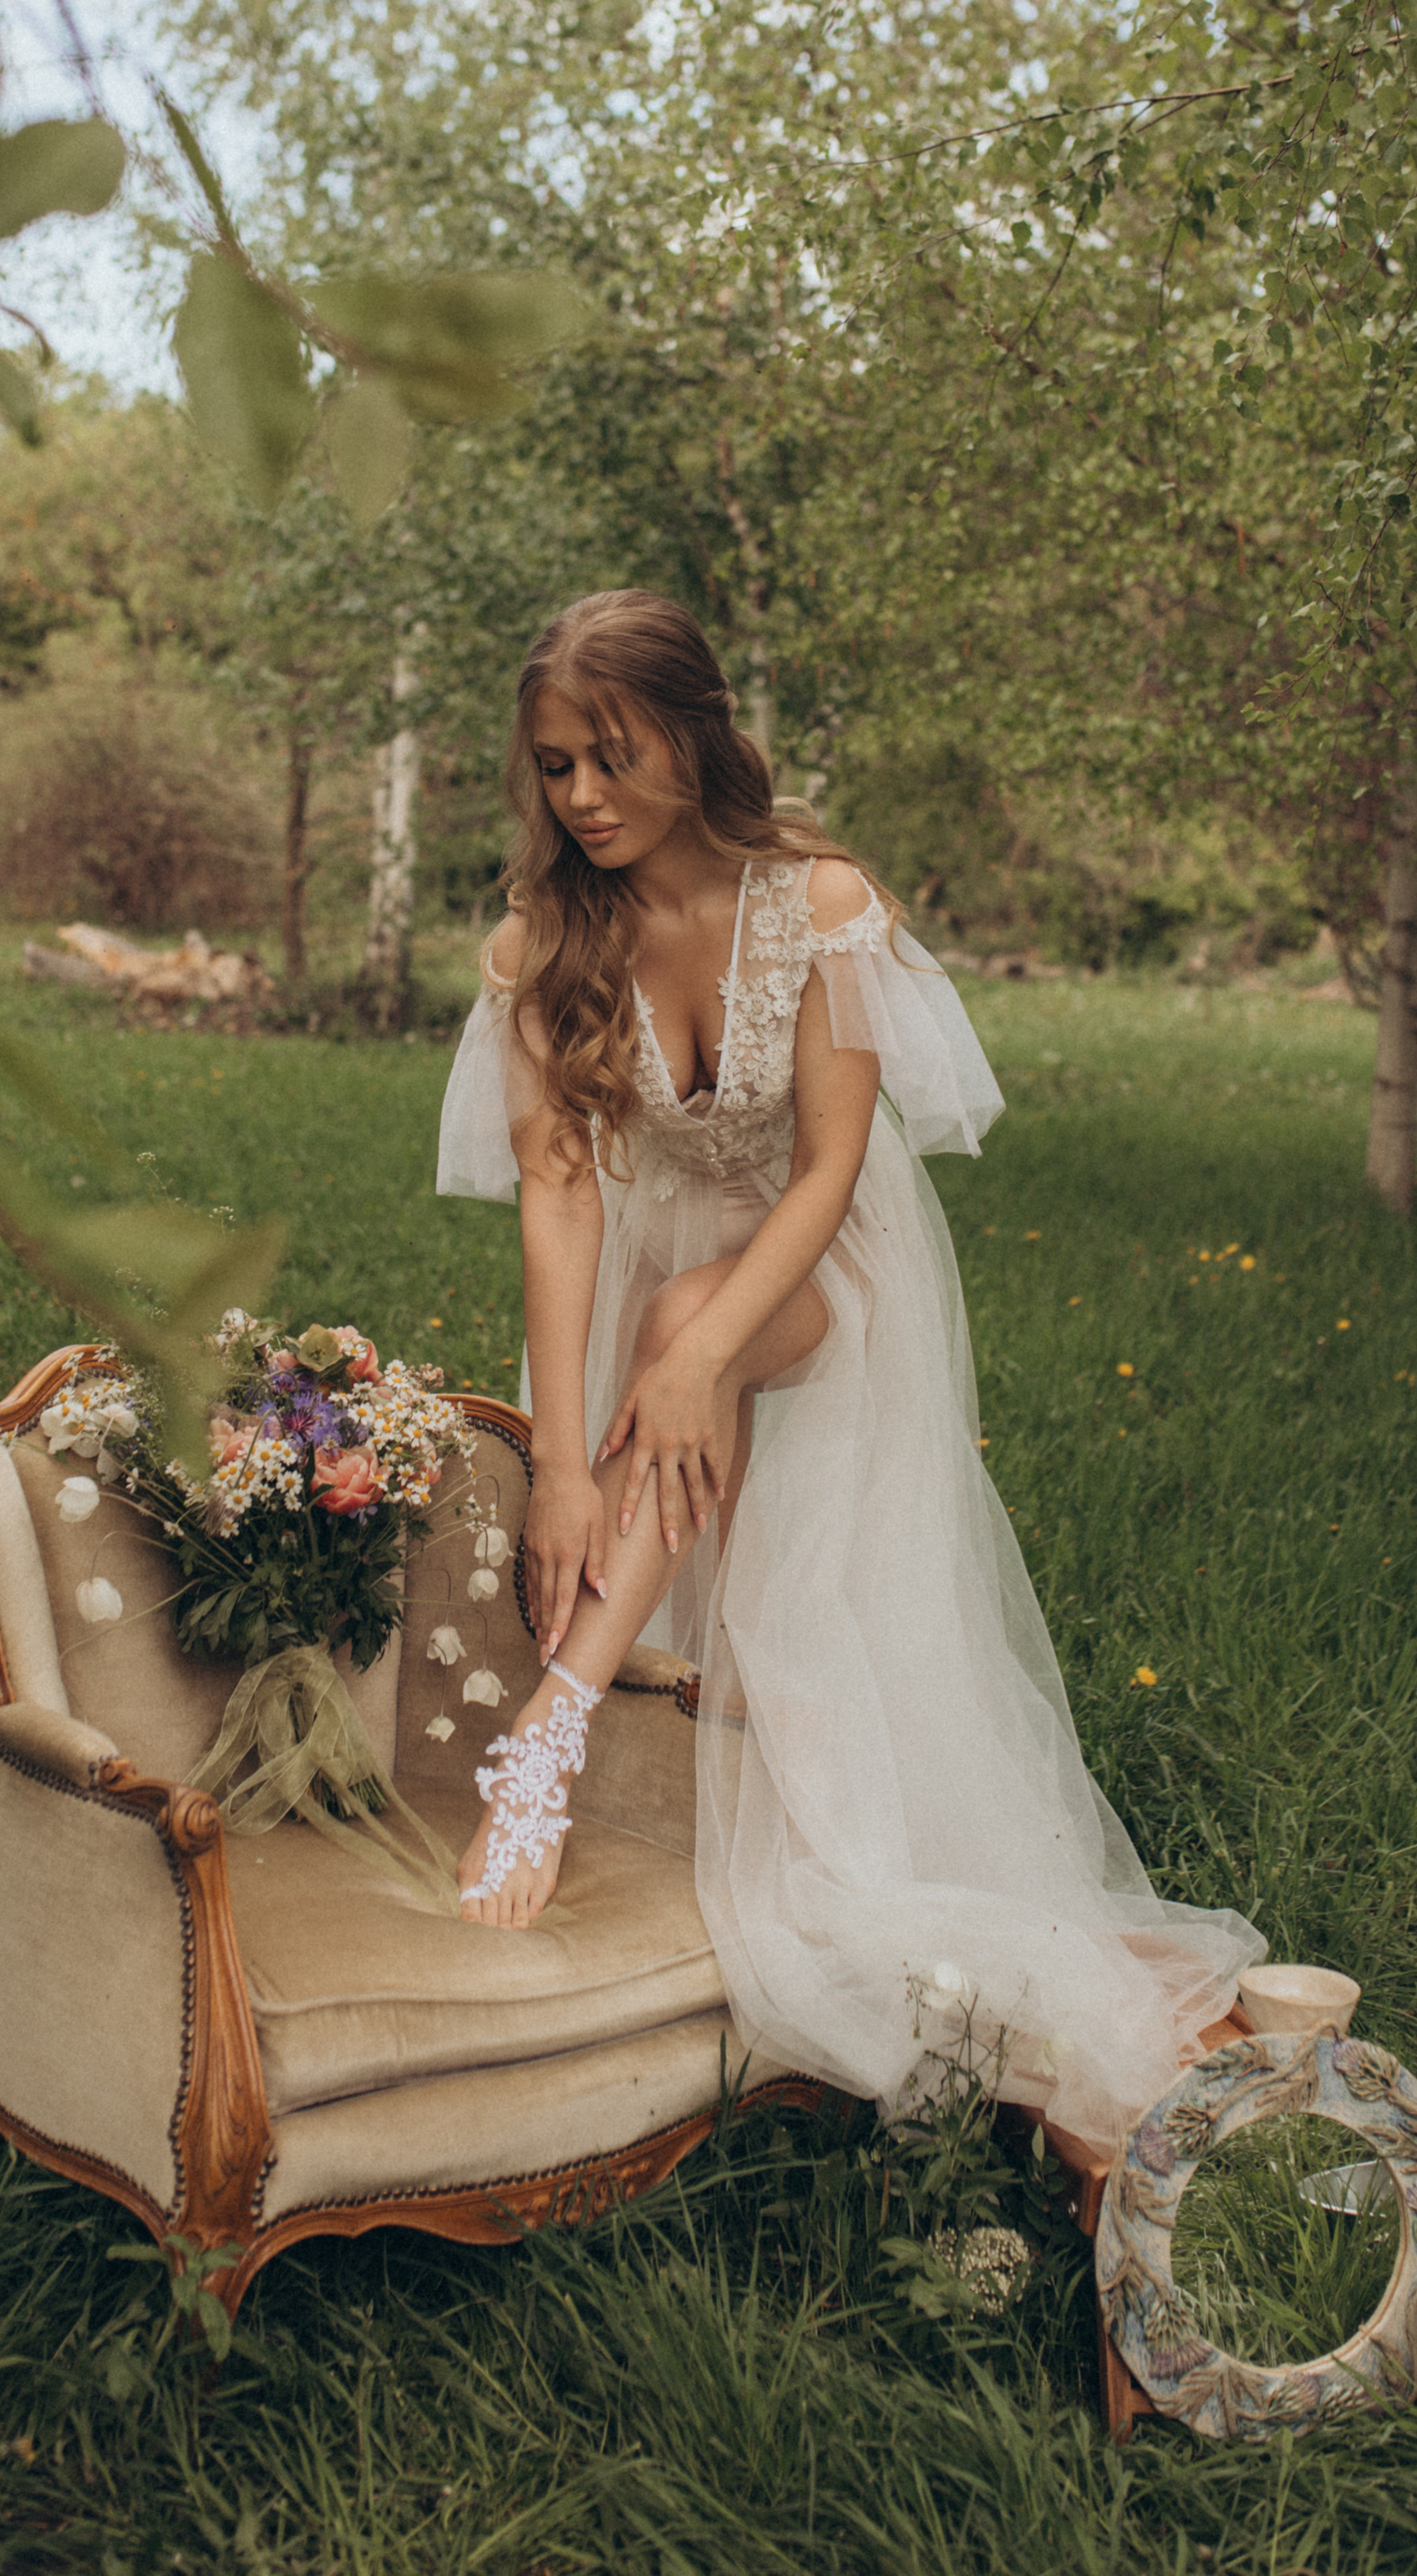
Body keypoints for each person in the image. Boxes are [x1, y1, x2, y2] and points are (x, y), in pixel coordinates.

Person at [436, 590, 1262, 2144]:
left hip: (827, 1267)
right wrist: (557, 1456)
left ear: (695, 735)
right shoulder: (547, 939)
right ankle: (641, 1713)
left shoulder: (815, 906)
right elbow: (556, 1194)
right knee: (666, 1330)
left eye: (612, 758)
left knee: (691, 1329)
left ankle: (545, 1734)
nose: (585, 799)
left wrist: (696, 1360)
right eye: (555, 768)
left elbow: (825, 1171)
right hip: (661, 1273)